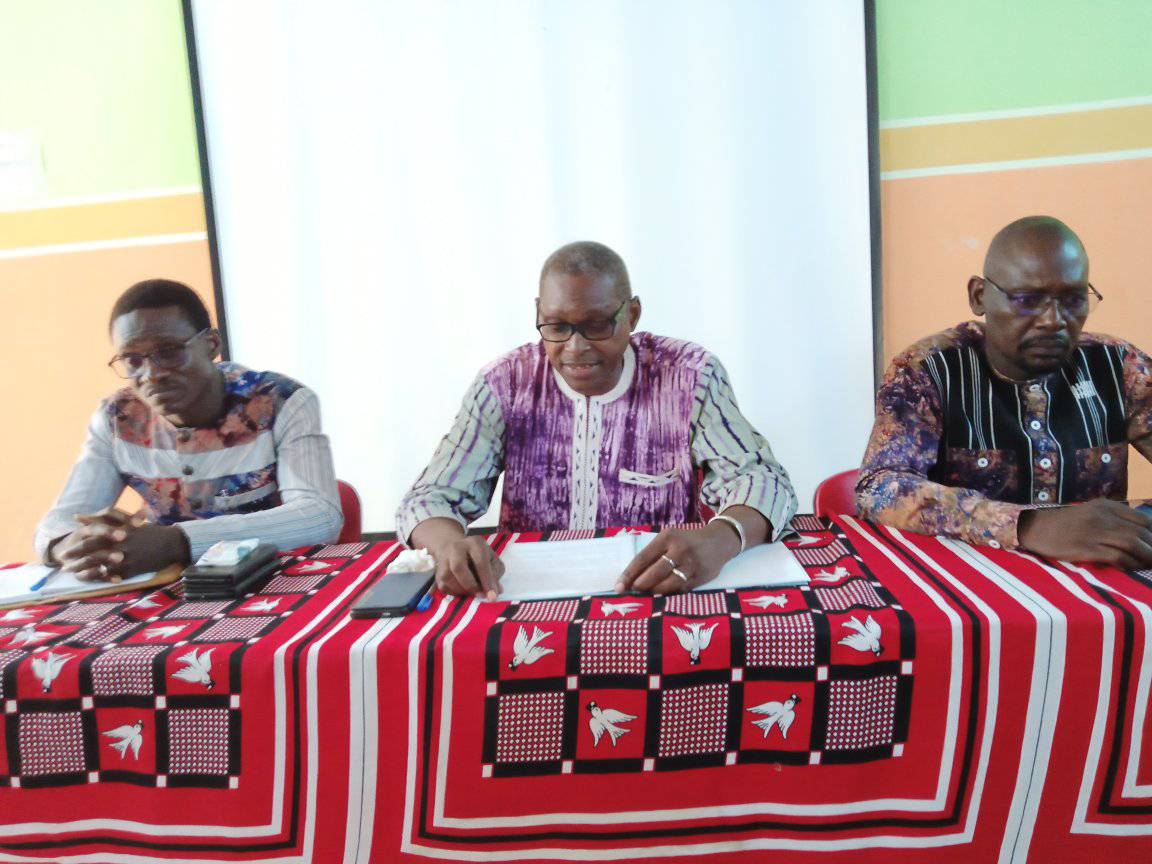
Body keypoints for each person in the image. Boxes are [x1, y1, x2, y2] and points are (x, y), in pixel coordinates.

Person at [397, 241, 797, 597]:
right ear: (538, 313)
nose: (575, 347)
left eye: (597, 325)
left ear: (632, 315)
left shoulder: (689, 376)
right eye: (557, 326)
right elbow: (429, 498)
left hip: (661, 593)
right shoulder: (505, 384)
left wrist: (719, 539)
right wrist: (448, 546)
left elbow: (763, 481)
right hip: (526, 603)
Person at [857, 216, 1152, 568]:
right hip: (969, 582)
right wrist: (1027, 526)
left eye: (1074, 300)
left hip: (1101, 584)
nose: (1054, 320)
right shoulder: (929, 370)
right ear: (979, 296)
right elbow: (880, 490)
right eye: (1028, 299)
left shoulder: (1118, 366)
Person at [35, 279, 342, 580]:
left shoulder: (280, 402)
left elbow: (319, 516)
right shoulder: (117, 419)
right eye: (132, 360)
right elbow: (57, 524)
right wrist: (70, 544)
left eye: (169, 352)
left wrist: (178, 541)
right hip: (165, 592)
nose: (151, 374)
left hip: (274, 582)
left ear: (212, 345)